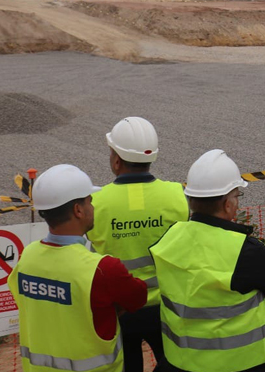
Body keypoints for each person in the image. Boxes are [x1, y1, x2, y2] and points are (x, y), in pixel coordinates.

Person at [151, 150, 265, 372]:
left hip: (182, 361)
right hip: (247, 362)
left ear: (190, 200)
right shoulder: (244, 250)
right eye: (237, 196)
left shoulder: (171, 238)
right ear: (228, 204)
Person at [8, 164, 148, 372]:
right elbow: (138, 297)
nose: (93, 207)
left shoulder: (27, 258)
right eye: (90, 202)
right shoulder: (102, 269)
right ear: (78, 210)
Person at [87, 116, 188, 372]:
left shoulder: (96, 203)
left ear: (117, 160)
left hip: (119, 309)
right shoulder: (177, 195)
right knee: (173, 364)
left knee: (128, 365)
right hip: (166, 306)